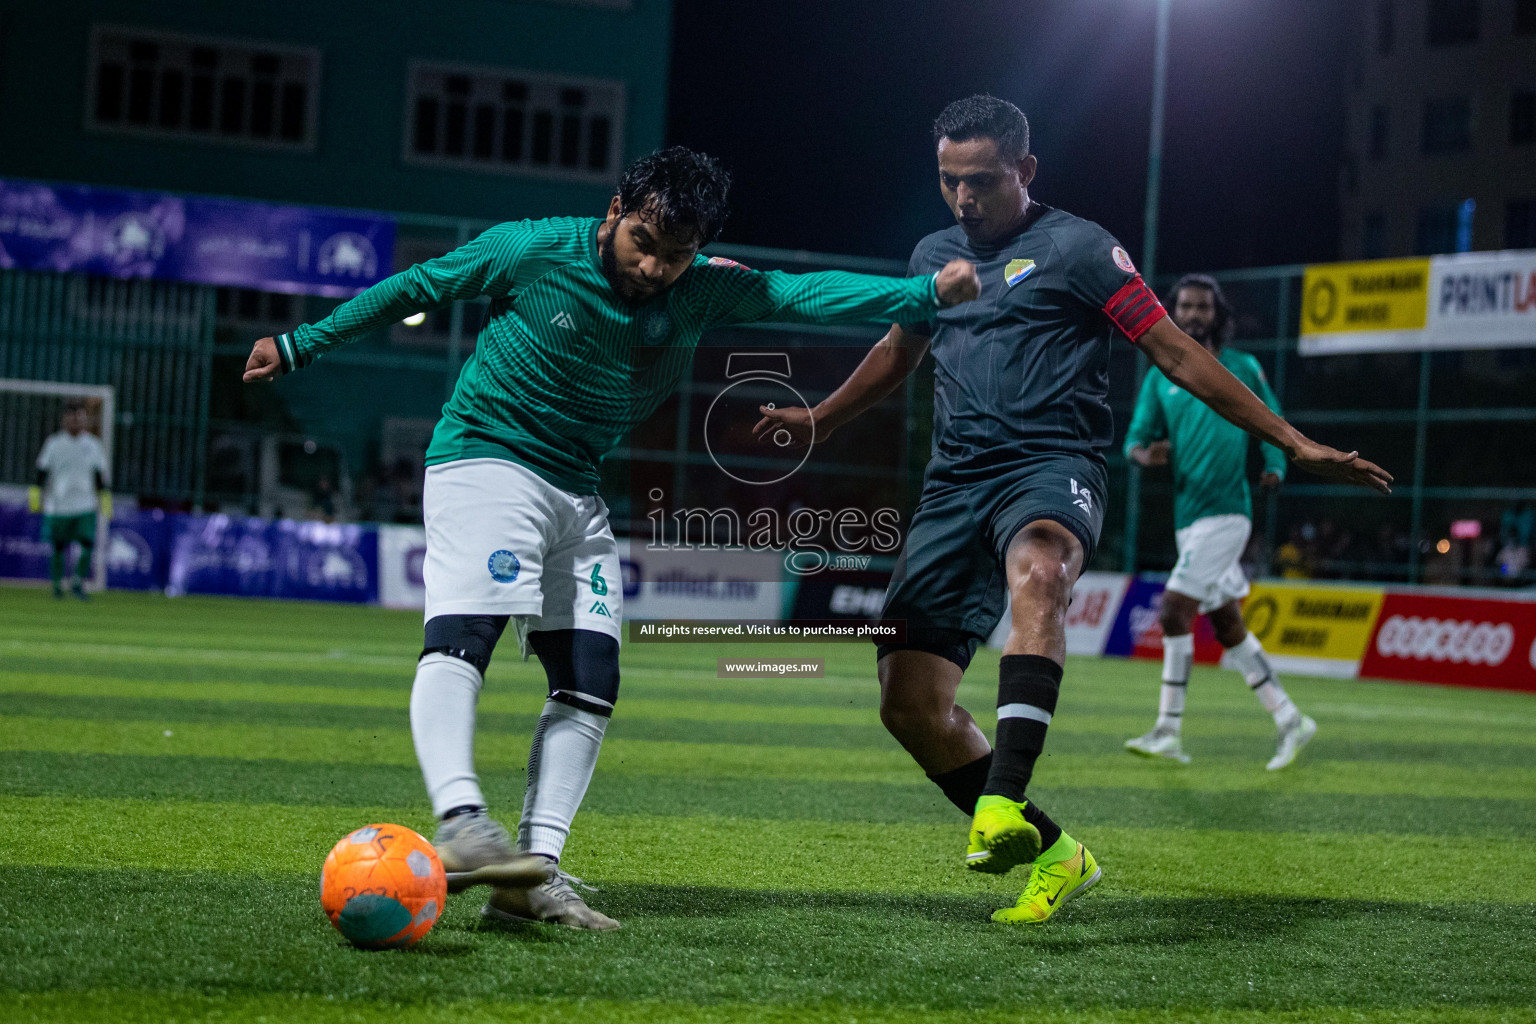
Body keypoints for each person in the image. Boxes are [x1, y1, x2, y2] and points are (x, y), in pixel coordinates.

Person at [243, 147, 981, 931]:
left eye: (677, 254)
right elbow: (419, 284)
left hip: (577, 490)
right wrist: (302, 343)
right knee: (464, 638)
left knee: (590, 678)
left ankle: (532, 880)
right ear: (616, 207)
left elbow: (801, 291)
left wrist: (922, 292)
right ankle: (461, 820)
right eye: (646, 242)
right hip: (487, 458)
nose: (657, 267)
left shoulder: (701, 289)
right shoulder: (533, 249)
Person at [755, 96, 1390, 926]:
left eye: (980, 180)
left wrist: (1289, 440)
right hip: (954, 486)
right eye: (948, 181)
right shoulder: (934, 253)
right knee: (909, 704)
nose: (962, 199)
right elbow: (896, 351)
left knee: (1042, 571)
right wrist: (818, 417)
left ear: (1024, 171)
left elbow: (1175, 352)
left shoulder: (1082, 250)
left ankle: (1002, 800)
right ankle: (1057, 854)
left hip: (1051, 467)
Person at [1122, 274, 1316, 771]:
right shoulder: (1160, 376)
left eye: (1203, 307)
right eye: (1185, 305)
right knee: (1228, 624)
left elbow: (1273, 421)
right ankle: (1291, 719)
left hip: (1228, 514)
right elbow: (1136, 438)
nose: (1193, 314)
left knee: (1172, 612)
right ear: (1173, 310)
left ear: (1217, 314)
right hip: (1188, 517)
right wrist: (1146, 454)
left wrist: (1274, 465)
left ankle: (1167, 728)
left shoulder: (1242, 367)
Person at [30, 401, 110, 600]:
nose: (76, 422)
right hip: (58, 505)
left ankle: (77, 582)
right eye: (72, 418)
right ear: (65, 421)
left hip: (85, 504)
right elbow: (41, 472)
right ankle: (57, 585)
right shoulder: (54, 443)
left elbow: (99, 475)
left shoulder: (93, 444)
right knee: (58, 546)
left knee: (87, 544)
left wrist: (105, 498)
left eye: (79, 418)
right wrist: (35, 496)